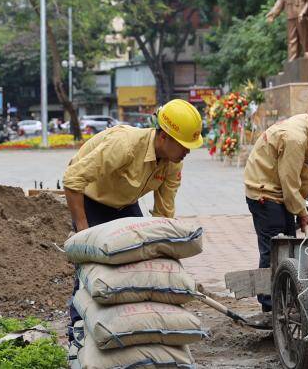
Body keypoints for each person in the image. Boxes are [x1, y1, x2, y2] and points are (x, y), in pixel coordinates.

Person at [61, 98, 204, 339]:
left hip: (125, 204)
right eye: (183, 145)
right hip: (92, 200)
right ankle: (77, 324)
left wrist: (168, 261)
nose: (188, 151)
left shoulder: (172, 164)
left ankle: (131, 320)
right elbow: (72, 180)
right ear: (163, 137)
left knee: (139, 257)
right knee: (91, 268)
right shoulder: (125, 145)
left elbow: (163, 215)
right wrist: (83, 232)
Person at [242, 92, 308, 314]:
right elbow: (289, 183)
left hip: (282, 191)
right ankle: (271, 306)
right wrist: (302, 211)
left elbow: (300, 178)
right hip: (265, 191)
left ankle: (286, 297)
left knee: (288, 247)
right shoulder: (296, 137)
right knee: (275, 248)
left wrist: (300, 207)